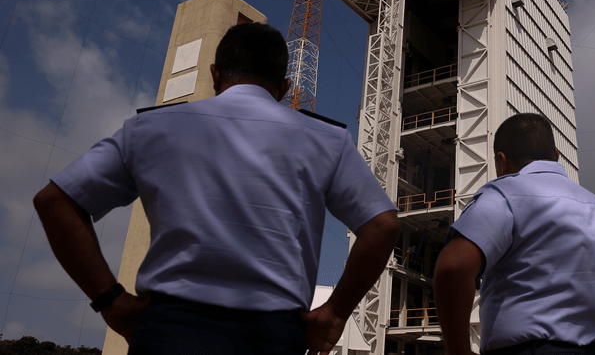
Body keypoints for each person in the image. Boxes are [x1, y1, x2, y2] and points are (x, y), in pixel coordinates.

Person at [33, 22, 400, 355]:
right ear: (285, 87)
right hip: (272, 335)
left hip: (168, 330)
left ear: (214, 74)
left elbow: (55, 201)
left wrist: (110, 300)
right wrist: (335, 313)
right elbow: (382, 225)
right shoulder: (327, 140)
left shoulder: (150, 129)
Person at [434, 113, 595, 355]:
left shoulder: (504, 195)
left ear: (501, 161)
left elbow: (453, 267)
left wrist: (457, 351)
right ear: (557, 155)